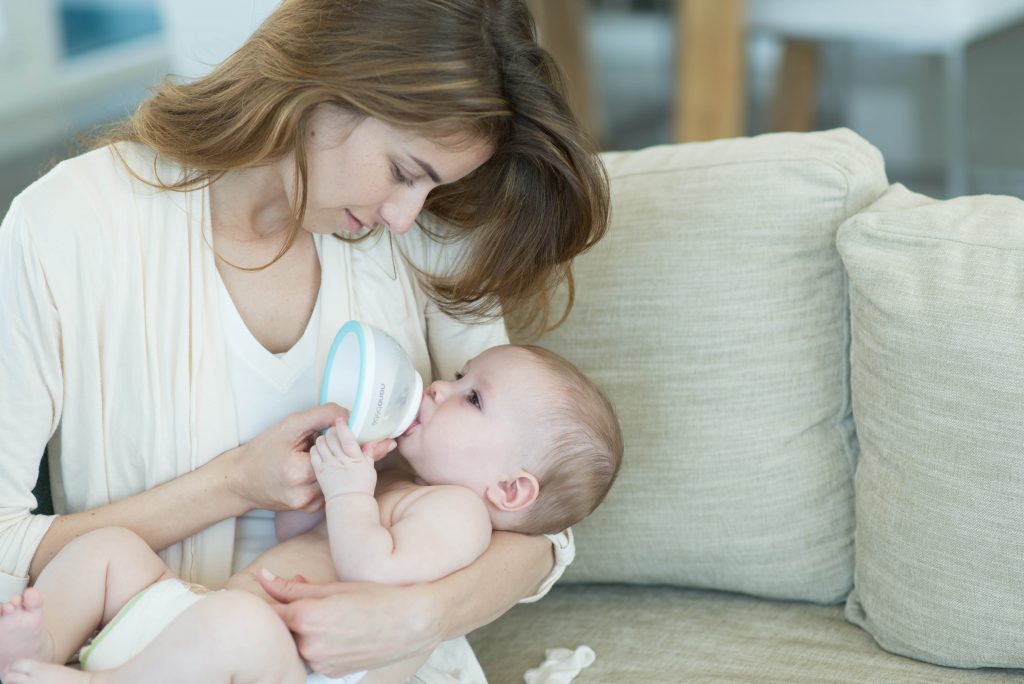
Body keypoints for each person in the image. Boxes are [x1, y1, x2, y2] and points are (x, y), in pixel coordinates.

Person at [0, 0, 610, 680]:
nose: (405, 219)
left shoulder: (430, 235)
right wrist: (235, 484)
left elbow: (535, 524)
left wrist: (423, 614)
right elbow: (4, 541)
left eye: (431, 189)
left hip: (308, 660)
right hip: (145, 621)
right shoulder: (71, 227)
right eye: (405, 172)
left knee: (236, 627)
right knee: (107, 557)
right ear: (327, 87)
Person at [0, 344, 623, 684]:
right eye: (460, 374)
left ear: (511, 490)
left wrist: (351, 493)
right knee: (109, 549)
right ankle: (41, 644)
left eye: (473, 397)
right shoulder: (403, 485)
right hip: (207, 620)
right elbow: (305, 541)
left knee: (236, 624)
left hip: (293, 669)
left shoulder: (461, 515)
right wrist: (321, 499)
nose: (438, 387)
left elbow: (376, 575)